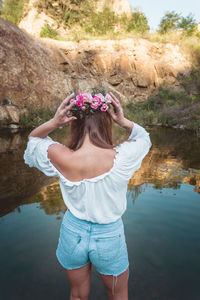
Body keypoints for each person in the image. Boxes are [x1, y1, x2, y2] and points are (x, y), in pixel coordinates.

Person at [24, 90, 152, 300]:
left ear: (75, 124)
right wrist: (123, 120)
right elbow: (143, 137)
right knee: (118, 296)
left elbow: (33, 140)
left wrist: (55, 123)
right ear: (106, 123)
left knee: (77, 295)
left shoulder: (62, 157)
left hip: (73, 232)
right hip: (109, 235)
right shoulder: (123, 157)